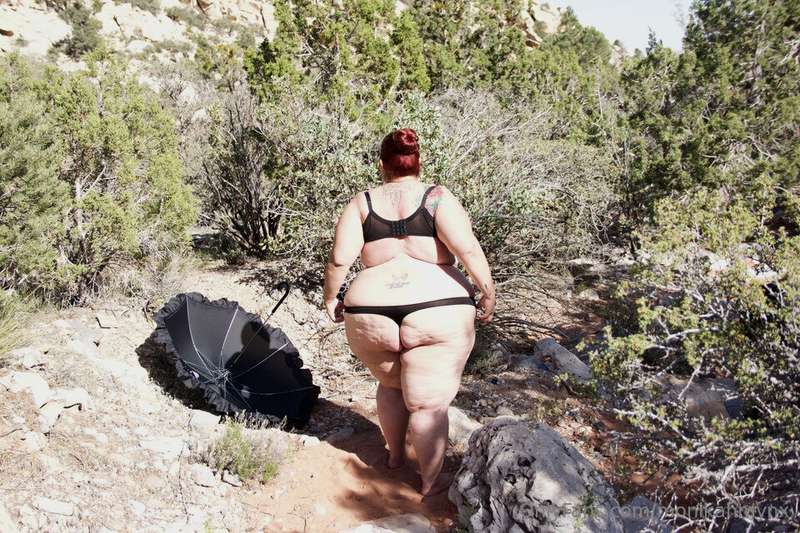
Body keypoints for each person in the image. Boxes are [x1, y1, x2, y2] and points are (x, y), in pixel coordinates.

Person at [322, 128, 495, 497]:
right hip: (437, 310)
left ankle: (395, 457)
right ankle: (429, 484)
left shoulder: (362, 203)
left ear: (382, 165)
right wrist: (487, 290)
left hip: (370, 313)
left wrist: (331, 298)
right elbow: (467, 249)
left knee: (390, 385)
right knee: (428, 405)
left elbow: (339, 260)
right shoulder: (437, 198)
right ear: (419, 163)